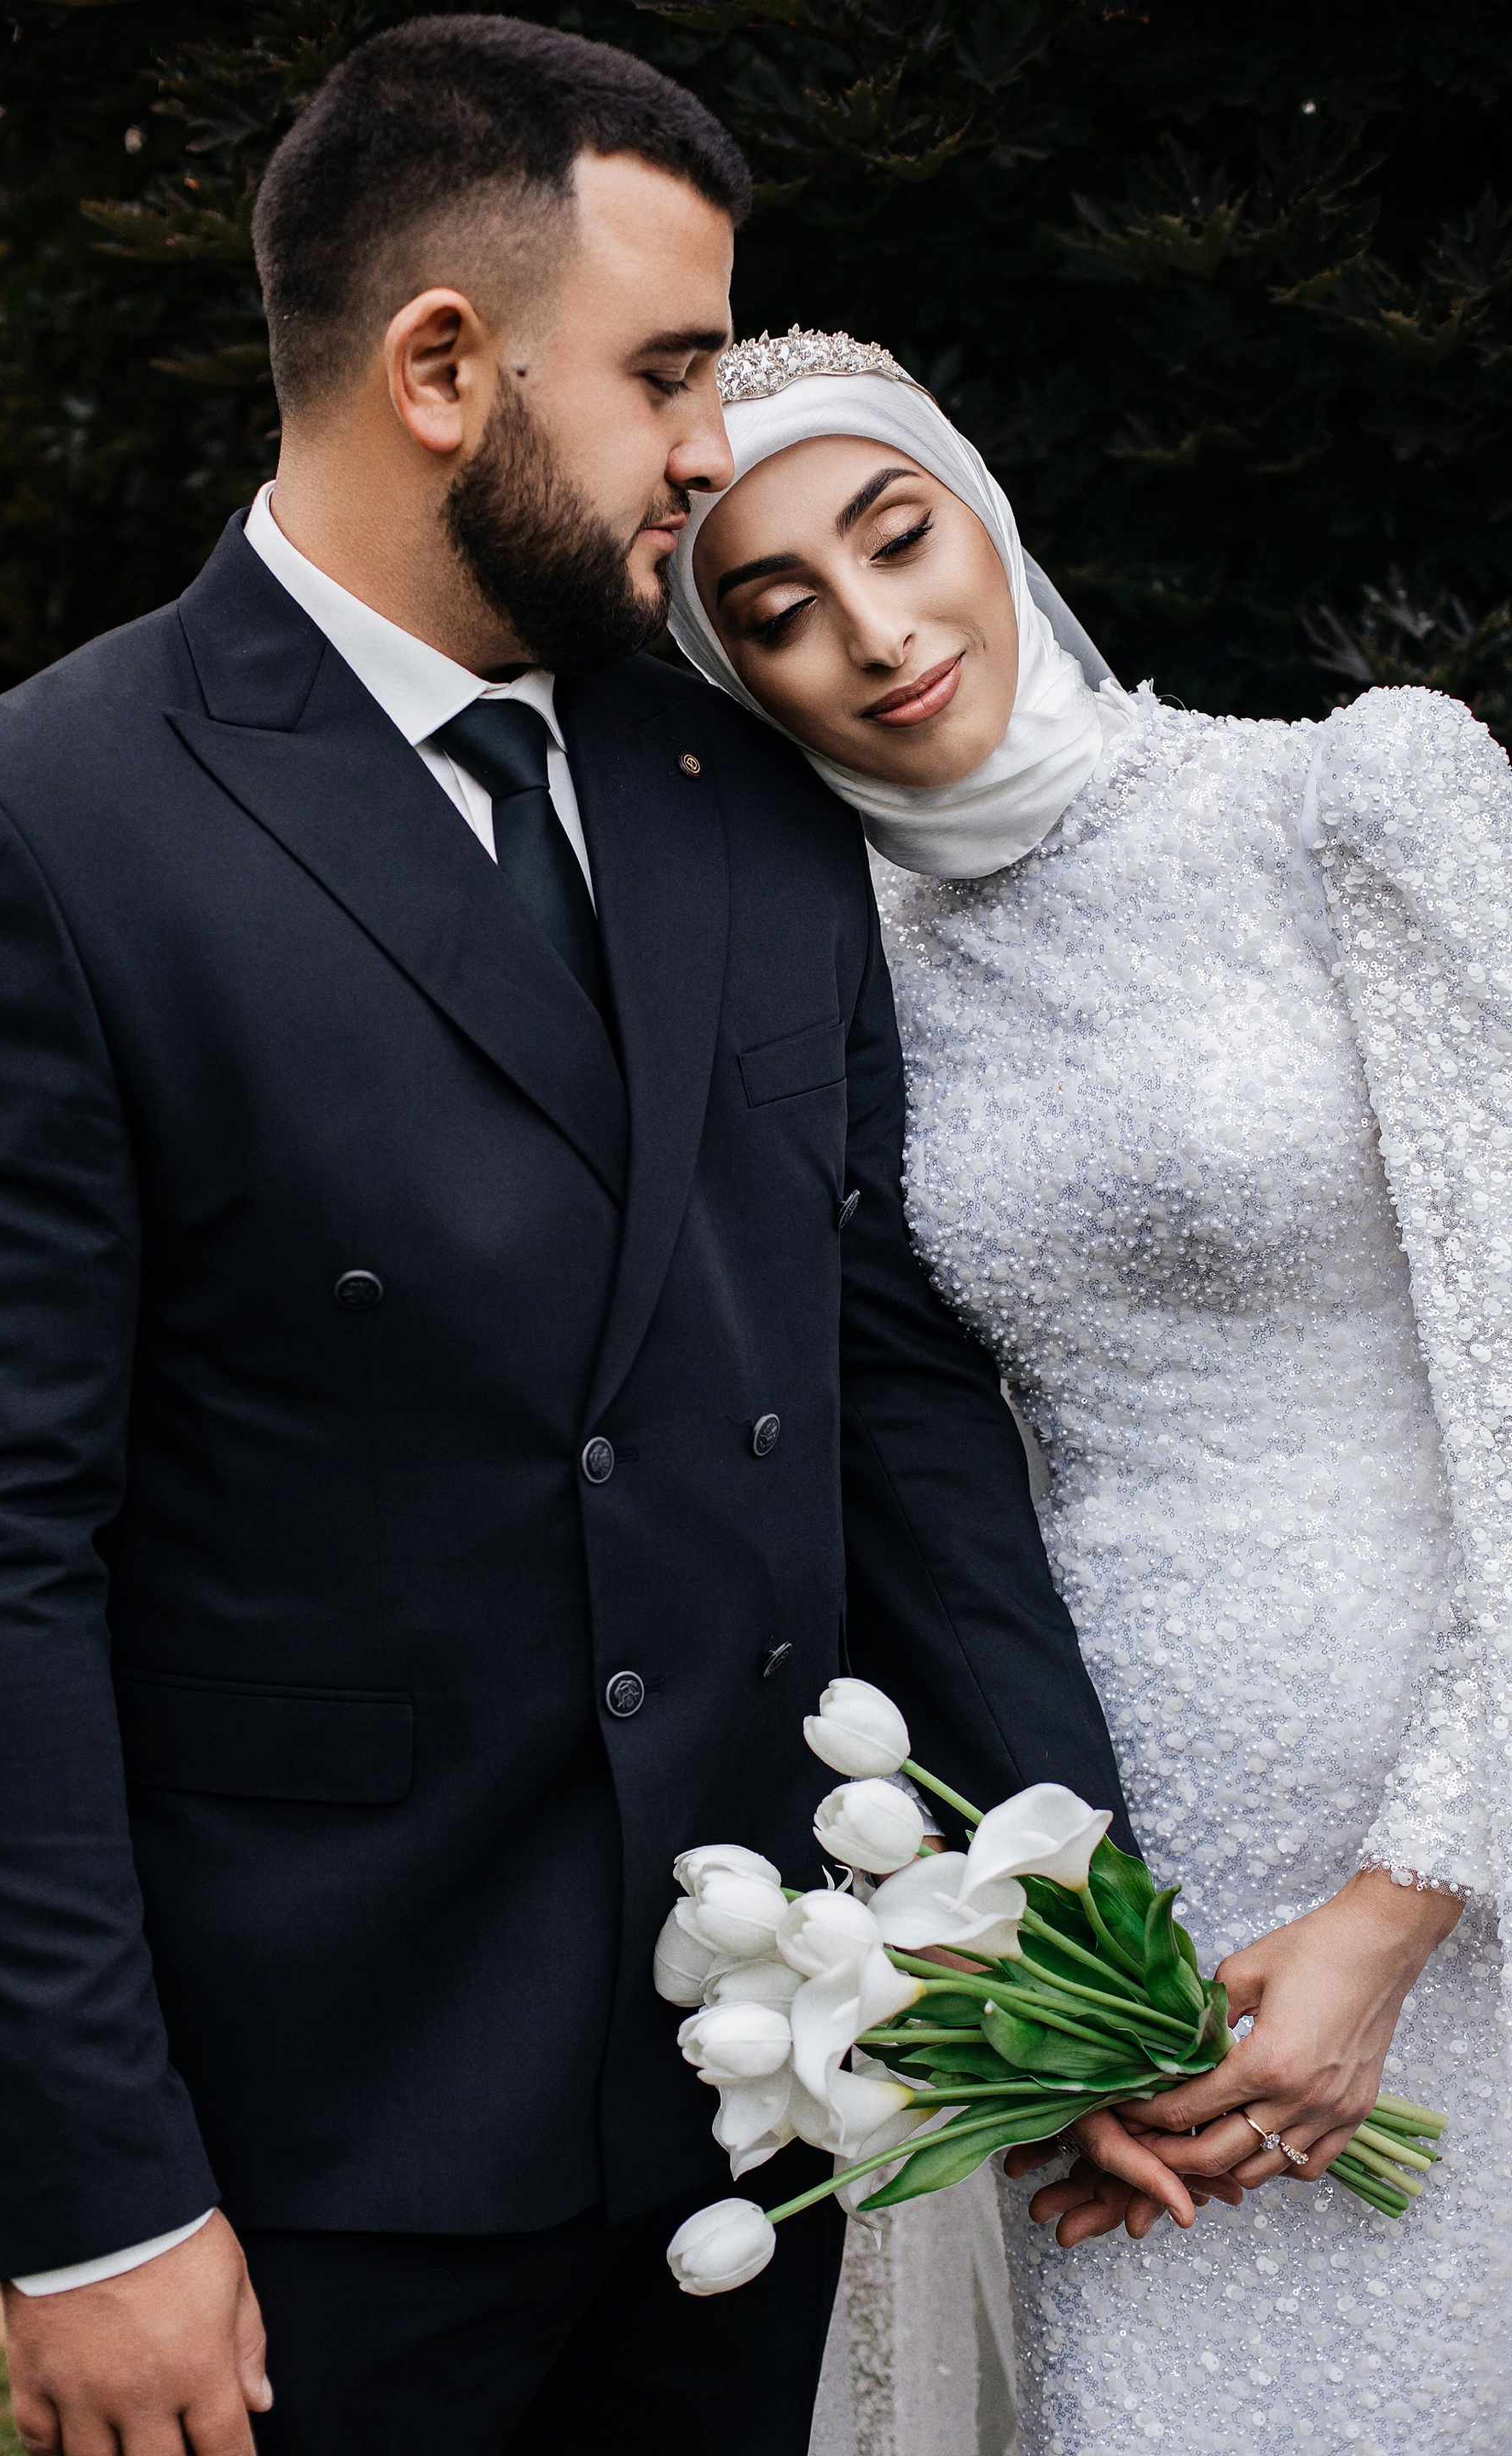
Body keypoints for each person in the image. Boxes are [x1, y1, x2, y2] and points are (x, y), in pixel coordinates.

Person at [0, 32, 1150, 2455]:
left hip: (750, 2106)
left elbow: (885, 1397)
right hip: (306, 2151)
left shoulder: (743, 795)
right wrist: (92, 2197)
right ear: (443, 367)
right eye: (666, 371)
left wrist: (1086, 1930)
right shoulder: (26, 828)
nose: (710, 444)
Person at [669, 329, 1512, 2456]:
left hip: (1456, 1817)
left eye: (898, 536)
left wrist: (1408, 1899)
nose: (879, 633)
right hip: (1107, 1876)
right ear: (727, 675)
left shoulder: (1352, 802)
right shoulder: (825, 982)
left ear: (986, 508)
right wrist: (1025, 1957)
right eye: (779, 610)